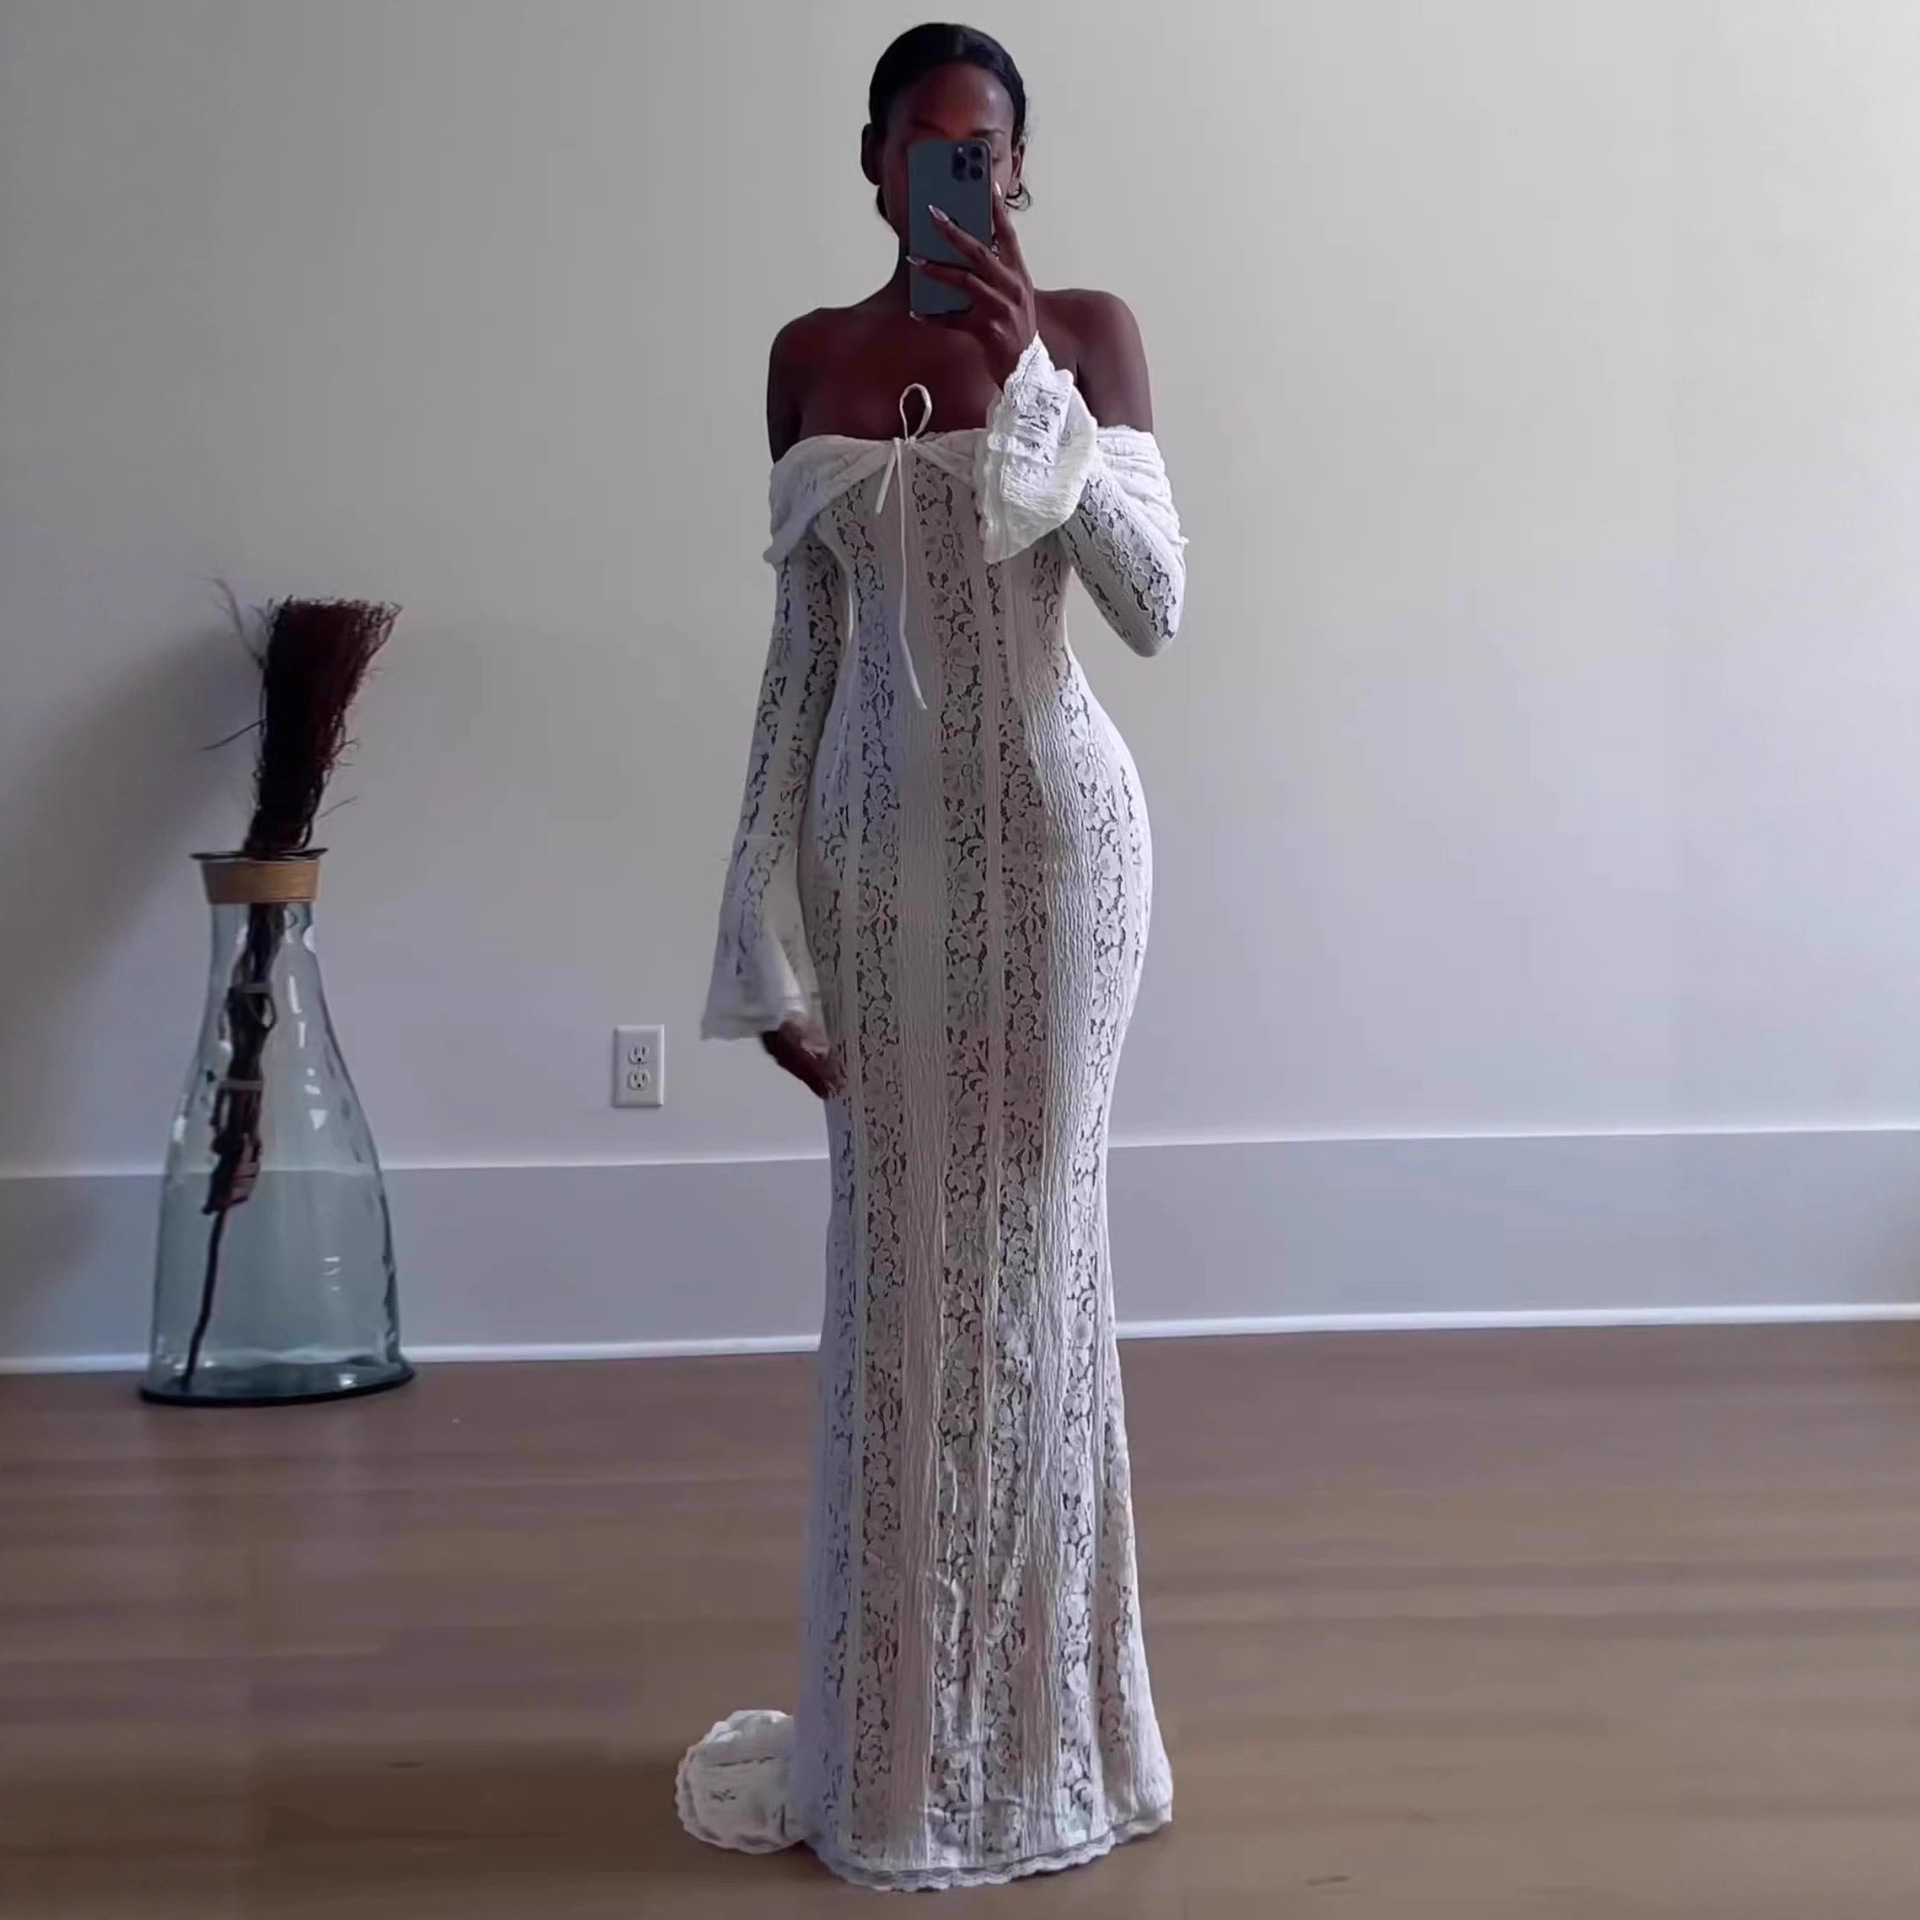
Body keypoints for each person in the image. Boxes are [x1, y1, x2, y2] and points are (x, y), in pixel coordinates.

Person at [682, 21, 1186, 1893]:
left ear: (1019, 170)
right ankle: (894, 1748)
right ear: (875, 162)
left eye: (986, 146)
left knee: (1038, 1264)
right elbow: (801, 665)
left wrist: (1031, 365)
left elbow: (1154, 605)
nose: (956, 172)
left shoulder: (1091, 337)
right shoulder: (807, 361)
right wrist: (758, 926)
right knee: (897, 1274)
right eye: (924, 143)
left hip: (1062, 863)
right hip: (870, 875)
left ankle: (1042, 1747)